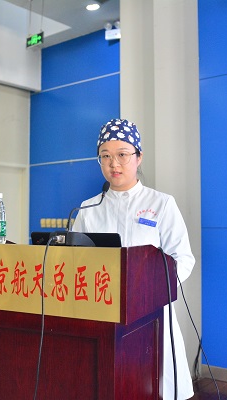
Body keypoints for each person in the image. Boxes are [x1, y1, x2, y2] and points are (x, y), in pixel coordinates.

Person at [72, 118, 195, 400]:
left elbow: (183, 258)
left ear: (138, 157)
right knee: (108, 384)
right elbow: (74, 260)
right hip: (101, 311)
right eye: (105, 156)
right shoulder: (88, 209)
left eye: (122, 155)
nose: (113, 164)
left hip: (150, 312)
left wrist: (151, 289)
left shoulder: (161, 204)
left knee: (153, 384)